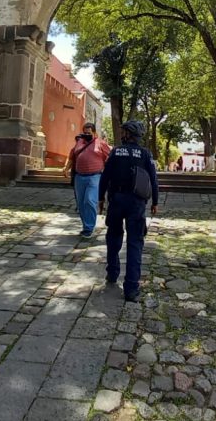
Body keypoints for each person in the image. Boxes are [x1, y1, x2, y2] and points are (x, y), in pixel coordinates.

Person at [99, 120, 159, 302]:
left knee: (113, 237)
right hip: (137, 204)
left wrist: (101, 198)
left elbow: (105, 176)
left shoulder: (116, 151)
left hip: (117, 201)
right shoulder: (145, 154)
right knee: (135, 243)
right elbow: (153, 180)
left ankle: (112, 273)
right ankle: (131, 289)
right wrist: (155, 201)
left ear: (128, 134)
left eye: (124, 132)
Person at [63, 122, 112, 238]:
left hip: (95, 176)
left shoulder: (101, 143)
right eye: (84, 133)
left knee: (90, 200)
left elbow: (110, 157)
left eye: (89, 133)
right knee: (81, 204)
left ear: (94, 133)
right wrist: (66, 168)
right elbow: (72, 156)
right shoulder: (79, 142)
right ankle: (86, 226)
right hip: (79, 177)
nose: (86, 135)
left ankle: (89, 227)